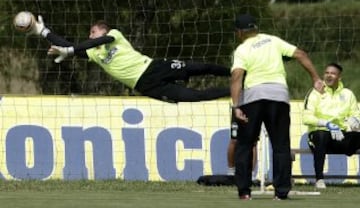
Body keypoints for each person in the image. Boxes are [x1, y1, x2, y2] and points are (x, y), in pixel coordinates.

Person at [28, 16, 230, 103]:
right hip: (145, 86)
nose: (90, 36)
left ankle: (233, 73)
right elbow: (65, 43)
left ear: (104, 30)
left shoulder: (114, 35)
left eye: (93, 31)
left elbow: (80, 45)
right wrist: (42, 31)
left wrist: (70, 50)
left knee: (201, 67)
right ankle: (236, 90)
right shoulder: (94, 54)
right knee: (194, 97)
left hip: (153, 68)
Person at [230, 13, 324, 200]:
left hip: (253, 97)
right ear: (255, 28)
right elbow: (301, 54)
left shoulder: (241, 49)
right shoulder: (273, 40)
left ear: (239, 32)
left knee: (245, 144)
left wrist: (236, 106)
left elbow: (237, 76)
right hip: (278, 96)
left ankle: (244, 192)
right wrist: (315, 78)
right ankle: (281, 193)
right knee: (281, 145)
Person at [302, 62, 360, 189]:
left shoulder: (348, 94)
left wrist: (355, 122)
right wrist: (326, 124)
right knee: (322, 135)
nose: (329, 76)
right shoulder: (315, 92)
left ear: (339, 77)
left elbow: (356, 114)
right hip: (318, 135)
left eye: (333, 74)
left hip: (339, 136)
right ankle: (319, 179)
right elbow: (306, 118)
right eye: (327, 73)